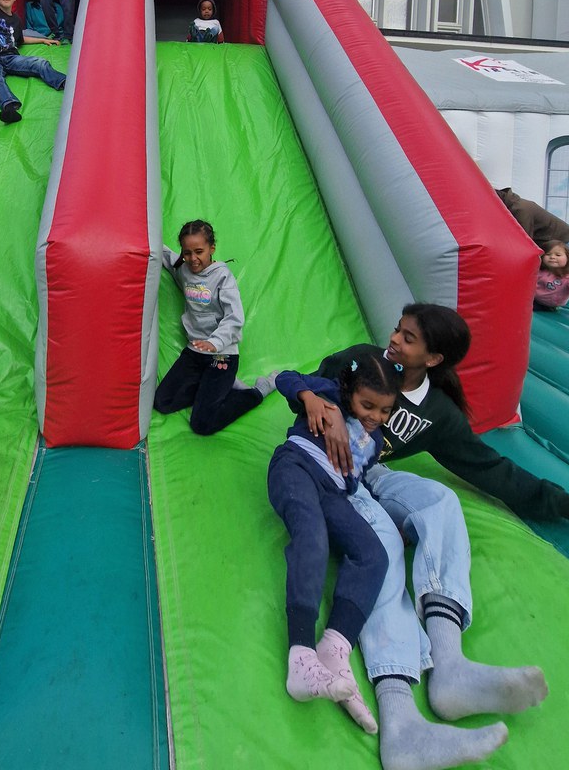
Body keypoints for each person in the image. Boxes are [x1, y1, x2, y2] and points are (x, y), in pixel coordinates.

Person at [308, 303, 569, 770]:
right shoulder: (364, 361)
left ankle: (449, 668)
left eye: (408, 337)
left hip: (373, 473)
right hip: (329, 471)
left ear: (434, 359)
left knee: (442, 502)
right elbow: (315, 380)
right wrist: (323, 406)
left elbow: (490, 468)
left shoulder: (438, 414)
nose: (394, 339)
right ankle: (401, 723)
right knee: (382, 543)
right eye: (398, 329)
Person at [268, 356, 400, 732]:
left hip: (334, 493)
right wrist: (310, 398)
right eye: (368, 405)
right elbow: (286, 376)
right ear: (350, 394)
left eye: (385, 410)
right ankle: (301, 655)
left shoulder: (374, 440)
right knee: (313, 536)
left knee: (374, 554)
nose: (375, 416)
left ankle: (336, 643)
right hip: (295, 467)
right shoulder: (331, 397)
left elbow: (354, 475)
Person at [154, 219, 276, 435]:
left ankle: (257, 391)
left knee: (202, 424)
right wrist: (148, 242)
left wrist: (214, 342)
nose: (193, 259)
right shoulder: (183, 268)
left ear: (212, 248)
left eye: (199, 251)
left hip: (222, 356)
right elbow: (166, 256)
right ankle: (219, 386)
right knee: (163, 402)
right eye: (187, 252)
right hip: (195, 353)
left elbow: (235, 317)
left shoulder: (222, 278)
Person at [495, 186, 569, 246]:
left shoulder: (520, 210)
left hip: (562, 240)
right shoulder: (512, 204)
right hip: (548, 239)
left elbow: (523, 245)